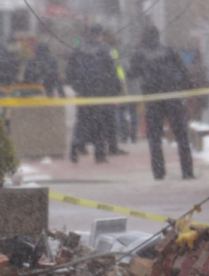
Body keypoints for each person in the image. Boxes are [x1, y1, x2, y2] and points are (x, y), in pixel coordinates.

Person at [129, 26, 194, 180]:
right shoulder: (170, 51)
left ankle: (158, 172)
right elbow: (183, 71)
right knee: (181, 135)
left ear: (144, 38)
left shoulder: (140, 54)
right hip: (171, 95)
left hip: (153, 98)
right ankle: (187, 171)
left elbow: (132, 73)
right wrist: (186, 87)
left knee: (154, 137)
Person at [66, 26, 121, 163]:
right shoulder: (104, 50)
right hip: (99, 91)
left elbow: (69, 70)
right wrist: (115, 89)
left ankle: (76, 143)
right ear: (99, 35)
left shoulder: (78, 49)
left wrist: (76, 86)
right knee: (99, 122)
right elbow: (112, 71)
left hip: (83, 91)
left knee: (82, 119)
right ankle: (99, 154)